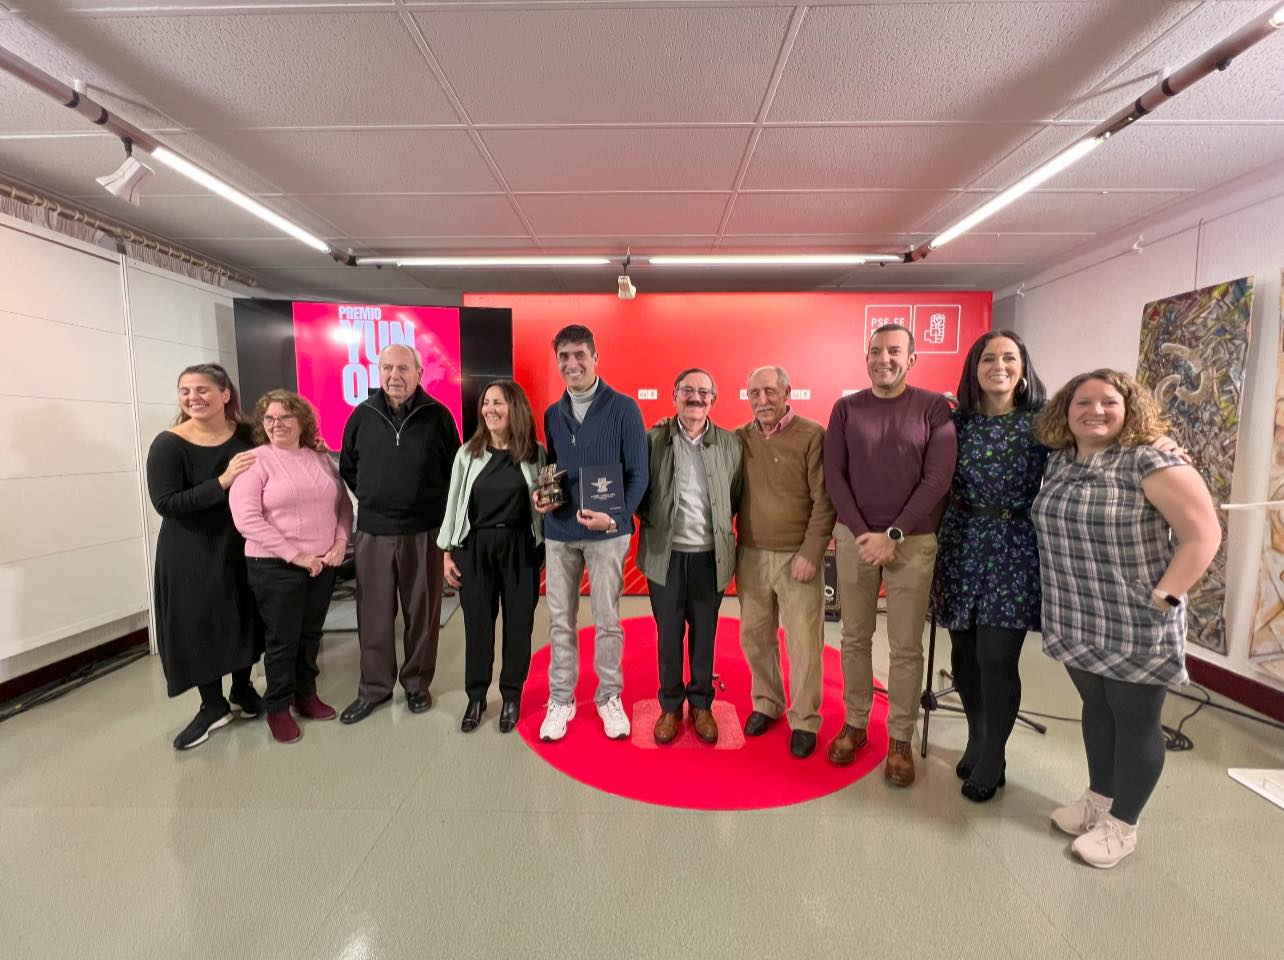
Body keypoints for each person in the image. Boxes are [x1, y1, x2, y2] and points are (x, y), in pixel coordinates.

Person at [1032, 370, 1219, 868]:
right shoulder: (1060, 463)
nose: (1094, 410)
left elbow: (1203, 534)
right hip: (1076, 610)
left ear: (1129, 407)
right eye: (1082, 402)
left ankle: (1124, 824)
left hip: (1136, 615)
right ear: (1065, 412)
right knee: (1096, 707)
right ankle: (1099, 799)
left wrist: (1165, 596)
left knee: (1136, 721)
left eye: (1108, 402)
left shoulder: (1152, 460)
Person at [824, 323, 956, 786]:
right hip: (856, 539)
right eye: (876, 351)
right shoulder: (846, 409)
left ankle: (900, 738)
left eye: (894, 351)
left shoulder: (934, 408)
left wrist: (893, 534)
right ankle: (856, 723)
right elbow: (834, 476)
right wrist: (864, 533)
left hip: (913, 542)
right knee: (854, 638)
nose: (884, 358)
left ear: (912, 359)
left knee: (904, 646)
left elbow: (938, 478)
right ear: (866, 358)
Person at [930, 331, 1048, 801]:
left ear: (1022, 368)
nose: (998, 366)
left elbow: (1100, 441)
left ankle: (995, 752)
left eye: (1008, 358)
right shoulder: (955, 424)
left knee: (997, 657)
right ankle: (977, 735)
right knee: (964, 657)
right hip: (961, 540)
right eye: (988, 359)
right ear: (974, 369)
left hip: (1013, 545)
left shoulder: (1043, 424)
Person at [535, 324, 649, 742]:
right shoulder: (552, 414)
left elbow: (638, 476)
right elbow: (551, 470)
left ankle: (608, 697)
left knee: (607, 620)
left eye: (579, 354)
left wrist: (616, 521)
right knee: (560, 621)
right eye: (564, 356)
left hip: (607, 533)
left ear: (595, 357)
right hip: (560, 531)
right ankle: (561, 698)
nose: (572, 364)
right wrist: (542, 500)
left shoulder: (624, 409)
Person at [338, 344, 461, 724]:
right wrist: (378, 499)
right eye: (388, 367)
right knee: (373, 613)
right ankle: (374, 689)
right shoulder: (362, 415)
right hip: (374, 531)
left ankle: (416, 685)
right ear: (378, 371)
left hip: (424, 531)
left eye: (403, 368)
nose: (395, 376)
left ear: (419, 373)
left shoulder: (438, 416)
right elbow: (349, 468)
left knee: (422, 613)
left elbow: (452, 471)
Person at [146, 363, 263, 750]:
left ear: (225, 394)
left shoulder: (247, 435)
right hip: (190, 551)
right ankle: (212, 704)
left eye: (202, 390)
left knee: (243, 615)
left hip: (240, 542)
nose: (193, 398)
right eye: (185, 391)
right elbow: (166, 503)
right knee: (199, 624)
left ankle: (242, 691)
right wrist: (222, 481)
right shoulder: (168, 444)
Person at [230, 390, 352, 744]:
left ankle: (306, 696)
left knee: (311, 635)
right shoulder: (254, 461)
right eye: (269, 418)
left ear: (302, 421)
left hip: (322, 564)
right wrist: (295, 555)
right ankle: (278, 707)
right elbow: (246, 520)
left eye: (285, 417)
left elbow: (343, 506)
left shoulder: (322, 459)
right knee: (282, 640)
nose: (276, 425)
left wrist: (340, 544)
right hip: (275, 566)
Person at [735, 365, 836, 758]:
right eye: (754, 393)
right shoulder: (740, 438)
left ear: (787, 392)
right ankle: (767, 702)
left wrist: (812, 553)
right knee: (755, 637)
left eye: (770, 392)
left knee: (804, 643)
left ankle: (805, 719)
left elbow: (824, 502)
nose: (762, 401)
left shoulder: (812, 436)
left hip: (798, 558)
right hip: (752, 554)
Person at [637, 369, 743, 745]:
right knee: (669, 634)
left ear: (713, 399)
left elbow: (736, 495)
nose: (695, 397)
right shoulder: (652, 440)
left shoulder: (730, 444)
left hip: (709, 558)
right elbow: (636, 488)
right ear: (674, 395)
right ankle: (669, 705)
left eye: (703, 392)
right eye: (687, 391)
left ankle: (701, 704)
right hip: (664, 557)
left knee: (705, 634)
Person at [439, 380, 546, 734]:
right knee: (478, 627)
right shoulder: (468, 452)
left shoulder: (534, 452)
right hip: (476, 547)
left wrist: (545, 517)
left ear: (515, 408)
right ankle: (476, 695)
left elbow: (546, 502)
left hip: (520, 548)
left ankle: (512, 694)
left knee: (519, 626)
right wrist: (447, 552)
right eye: (486, 404)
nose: (490, 410)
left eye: (498, 403)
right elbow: (454, 503)